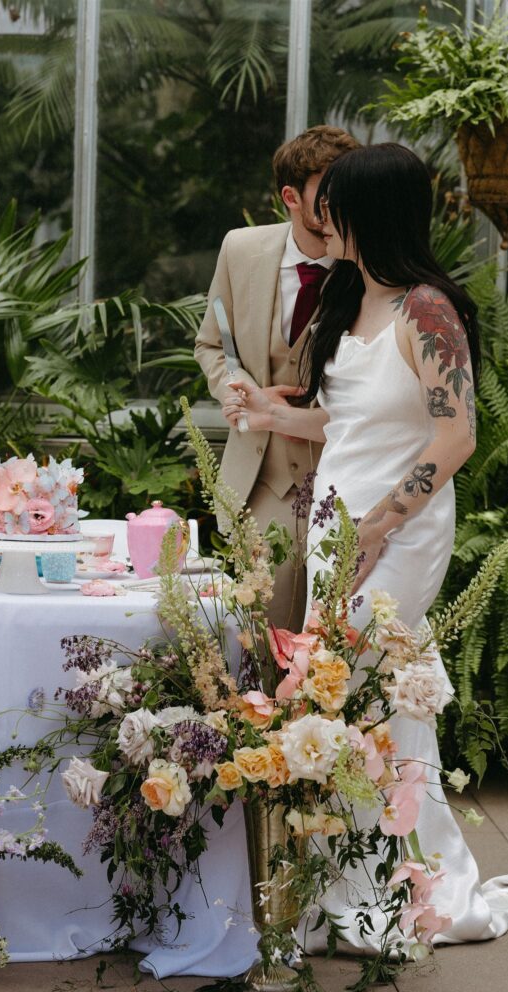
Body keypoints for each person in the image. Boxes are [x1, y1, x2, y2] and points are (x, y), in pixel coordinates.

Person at [223, 142, 508, 953]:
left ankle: (413, 884)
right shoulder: (350, 299)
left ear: (369, 212)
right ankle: (357, 877)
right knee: (342, 698)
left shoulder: (428, 311)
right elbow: (345, 423)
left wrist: (378, 525)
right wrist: (272, 416)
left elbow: (456, 436)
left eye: (332, 204)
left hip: (395, 536)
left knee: (370, 687)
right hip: (338, 524)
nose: (319, 216)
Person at [194, 124, 360, 629]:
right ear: (291, 196)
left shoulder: (365, 265)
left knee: (335, 639)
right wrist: (239, 393)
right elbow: (211, 344)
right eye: (329, 191)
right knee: (260, 638)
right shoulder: (240, 250)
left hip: (343, 477)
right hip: (262, 477)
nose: (343, 202)